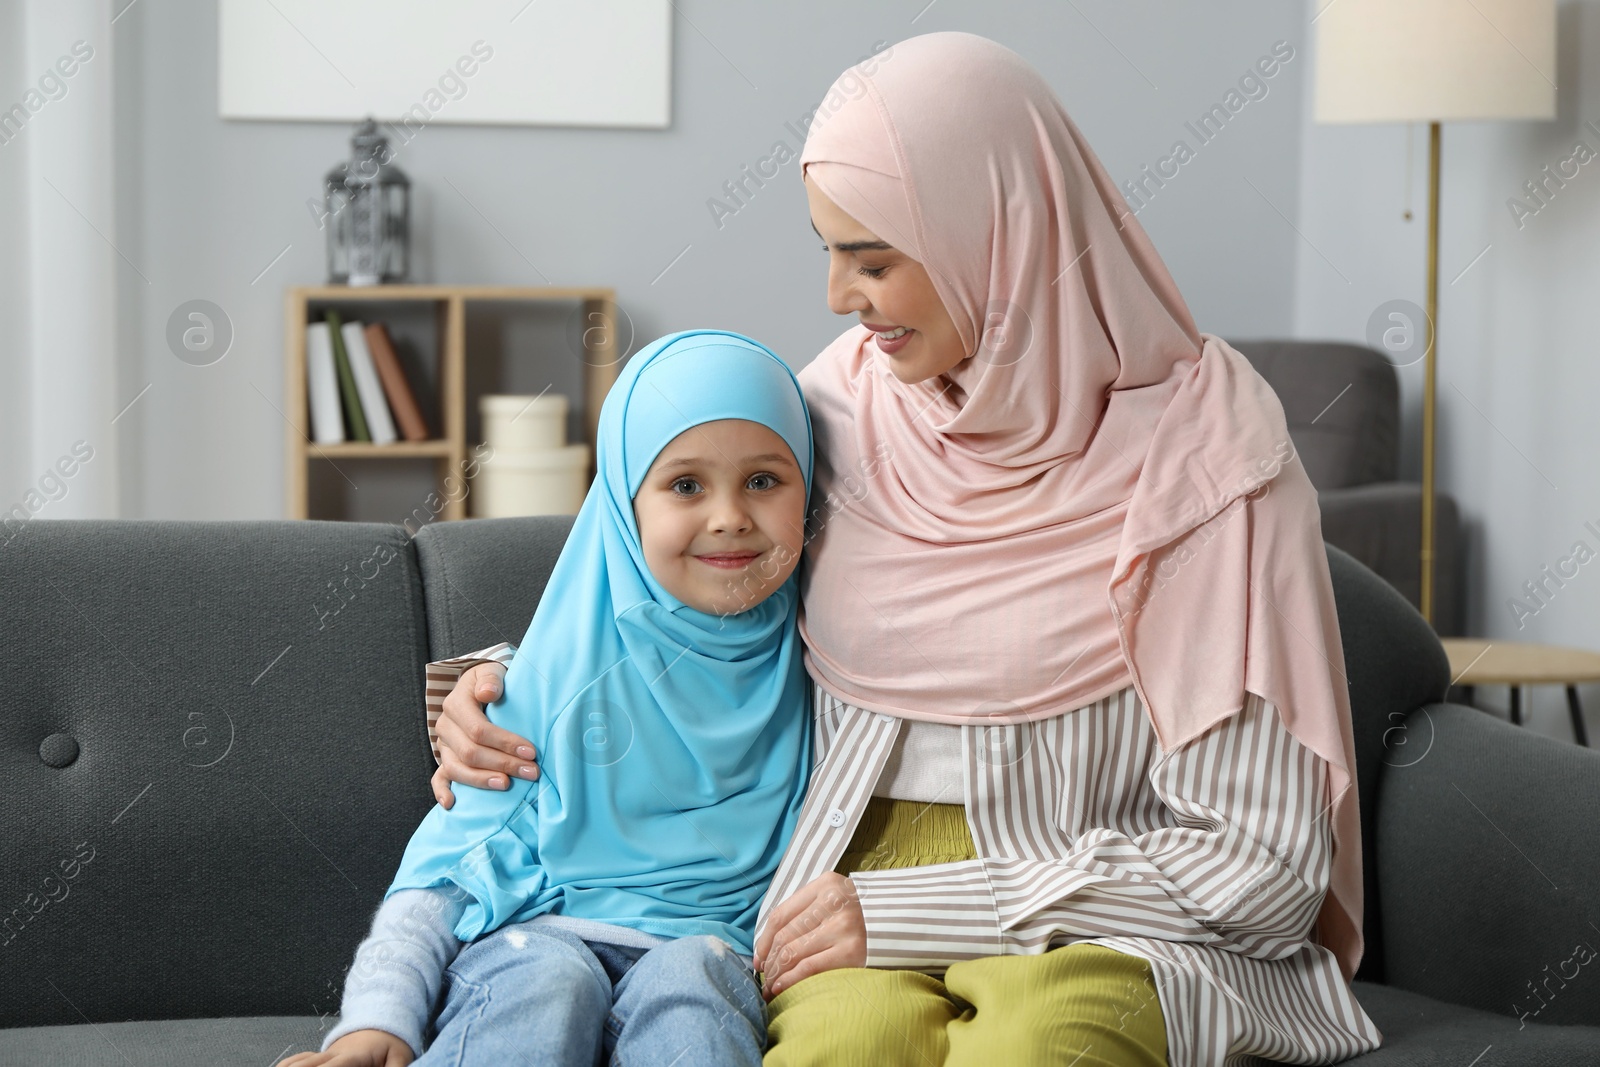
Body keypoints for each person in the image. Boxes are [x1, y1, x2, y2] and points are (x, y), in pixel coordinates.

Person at [423, 31, 1385, 1067]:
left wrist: (922, 907)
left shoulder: (1213, 466)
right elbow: (701, 594)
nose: (838, 295)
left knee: (1042, 1043)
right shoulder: (833, 411)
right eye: (827, 250)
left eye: (873, 258)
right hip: (836, 896)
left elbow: (1265, 866)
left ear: (998, 236)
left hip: (1115, 920)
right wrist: (506, 688)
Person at [285, 330, 815, 1067]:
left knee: (694, 981)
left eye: (764, 480)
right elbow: (446, 870)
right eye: (686, 485)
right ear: (624, 504)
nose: (728, 515)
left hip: (710, 947)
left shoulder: (831, 666)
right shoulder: (547, 683)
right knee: (550, 978)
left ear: (811, 487)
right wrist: (378, 1018)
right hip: (534, 939)